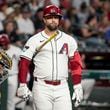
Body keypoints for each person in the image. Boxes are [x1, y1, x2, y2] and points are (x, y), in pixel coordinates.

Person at [17, 5, 83, 110]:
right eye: (50, 17)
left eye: (56, 17)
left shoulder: (69, 40)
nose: (53, 20)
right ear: (44, 19)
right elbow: (24, 63)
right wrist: (22, 84)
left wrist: (77, 85)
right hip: (42, 87)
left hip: (63, 87)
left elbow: (76, 64)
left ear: (60, 19)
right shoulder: (34, 40)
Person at [0, 34, 24, 110]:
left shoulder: (16, 50)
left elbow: (23, 63)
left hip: (12, 76)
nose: (3, 46)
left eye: (4, 44)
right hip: (2, 77)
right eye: (1, 44)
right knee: (1, 99)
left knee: (10, 100)